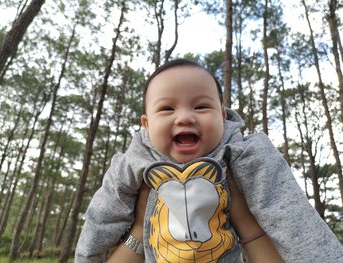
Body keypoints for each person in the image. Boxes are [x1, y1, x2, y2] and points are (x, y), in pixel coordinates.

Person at [75, 59, 343, 263]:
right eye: (167, 108)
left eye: (201, 106)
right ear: (146, 124)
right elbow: (102, 217)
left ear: (222, 116)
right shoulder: (133, 162)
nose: (184, 117)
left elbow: (287, 210)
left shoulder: (244, 153)